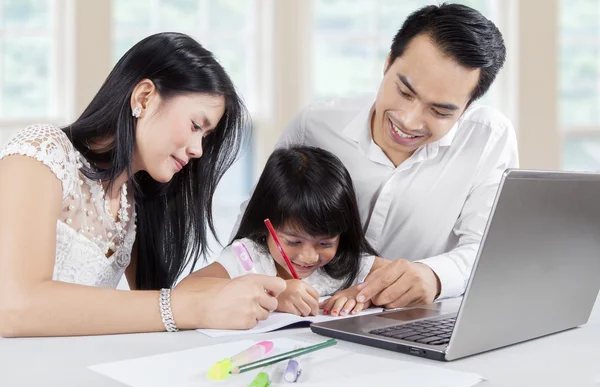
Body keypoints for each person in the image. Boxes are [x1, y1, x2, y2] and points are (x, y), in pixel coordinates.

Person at [0, 32, 286, 338]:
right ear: (144, 97)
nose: (198, 150)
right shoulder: (42, 154)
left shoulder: (134, 203)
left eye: (204, 137)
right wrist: (192, 306)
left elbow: (150, 311)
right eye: (195, 126)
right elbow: (16, 307)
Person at [238, 3, 519, 309]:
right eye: (404, 92)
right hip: (308, 318)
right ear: (387, 64)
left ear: (467, 108)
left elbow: (490, 249)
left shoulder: (488, 139)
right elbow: (255, 226)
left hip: (416, 320)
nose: (409, 121)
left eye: (439, 111)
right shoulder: (315, 126)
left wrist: (434, 277)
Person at [179, 146, 385, 317]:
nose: (308, 256)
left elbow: (403, 277)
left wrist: (362, 294)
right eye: (294, 242)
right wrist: (275, 297)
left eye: (326, 243)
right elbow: (184, 292)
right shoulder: (249, 258)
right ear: (266, 225)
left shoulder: (346, 262)